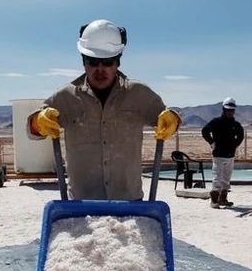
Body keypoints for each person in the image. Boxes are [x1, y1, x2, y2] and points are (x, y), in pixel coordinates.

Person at [26, 19, 181, 200]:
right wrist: (37, 122)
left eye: (107, 62)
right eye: (93, 61)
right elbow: (32, 131)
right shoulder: (65, 97)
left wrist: (174, 120)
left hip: (129, 203)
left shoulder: (140, 94)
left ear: (118, 62)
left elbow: (168, 119)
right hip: (81, 205)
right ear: (84, 61)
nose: (100, 69)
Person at [201, 97, 245, 208]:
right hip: (218, 155)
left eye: (232, 110)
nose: (230, 112)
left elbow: (240, 135)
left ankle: (223, 199)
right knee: (217, 178)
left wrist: (234, 145)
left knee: (226, 178)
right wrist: (211, 142)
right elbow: (205, 131)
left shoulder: (236, 124)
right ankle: (214, 200)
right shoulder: (216, 122)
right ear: (223, 109)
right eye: (228, 110)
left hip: (230, 155)